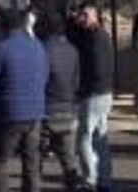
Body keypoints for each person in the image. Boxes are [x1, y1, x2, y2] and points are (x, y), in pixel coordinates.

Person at [0, 8, 49, 192]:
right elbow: (44, 77)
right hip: (35, 112)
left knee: (0, 160)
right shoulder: (38, 46)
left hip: (8, 113)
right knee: (31, 161)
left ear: (3, 25)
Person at [71, 3, 114, 192]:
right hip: (104, 92)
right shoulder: (100, 35)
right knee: (100, 138)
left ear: (96, 16)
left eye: (86, 14)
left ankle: (90, 179)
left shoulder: (94, 38)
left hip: (94, 92)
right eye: (81, 14)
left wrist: (84, 85)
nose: (82, 17)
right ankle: (104, 179)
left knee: (84, 137)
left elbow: (97, 66)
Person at [38, 10, 81, 191]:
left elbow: (39, 81)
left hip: (46, 108)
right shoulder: (73, 50)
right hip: (68, 108)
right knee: (68, 156)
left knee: (35, 155)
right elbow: (76, 81)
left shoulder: (42, 50)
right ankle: (72, 185)